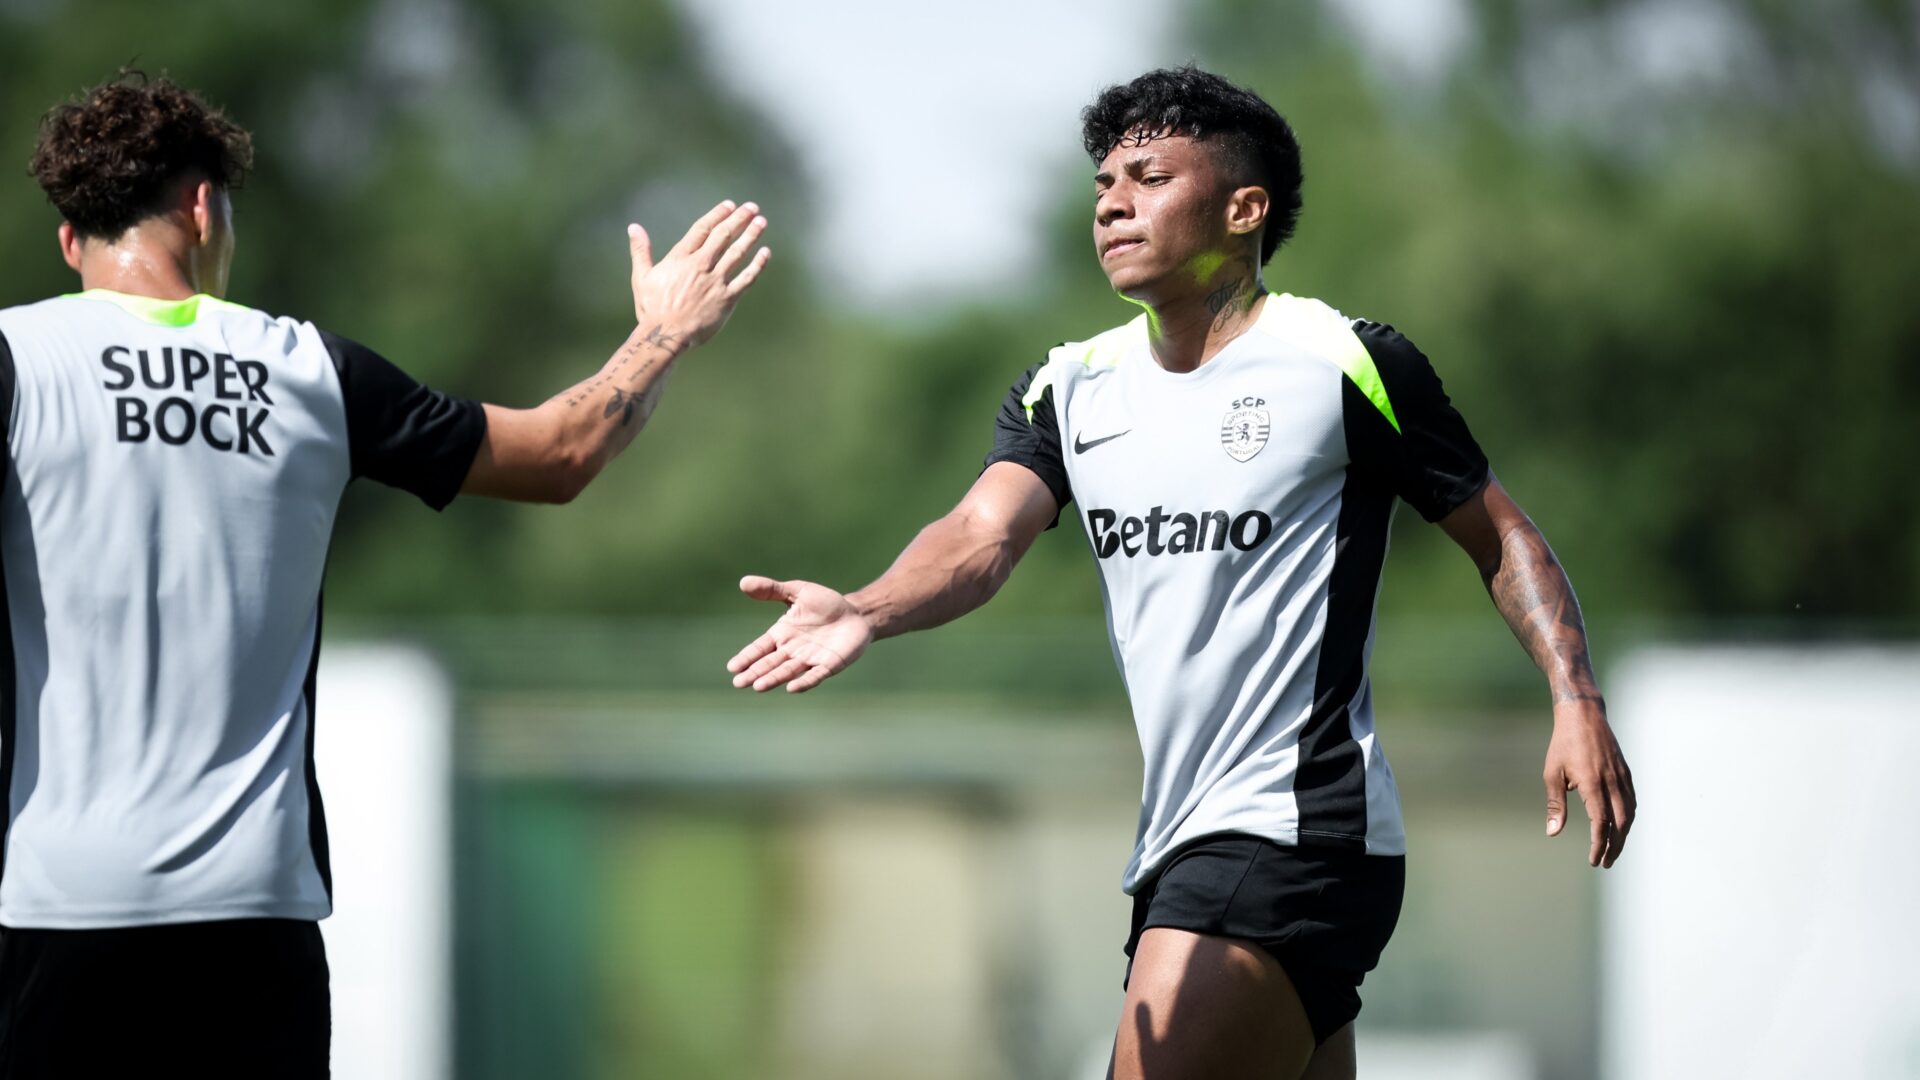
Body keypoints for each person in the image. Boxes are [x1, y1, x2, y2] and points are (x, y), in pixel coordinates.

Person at [727, 66, 1634, 1080]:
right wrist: (866, 607)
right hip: (1181, 844)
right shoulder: (1068, 388)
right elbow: (979, 536)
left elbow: (1501, 535)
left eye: (1151, 177)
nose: (1113, 202)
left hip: (1291, 831)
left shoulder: (1345, 362)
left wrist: (1576, 697)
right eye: (1105, 183)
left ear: (1244, 209)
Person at [0, 71, 769, 1078]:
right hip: (253, 912)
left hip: (52, 907)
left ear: (71, 242)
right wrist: (664, 330)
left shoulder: (15, 358)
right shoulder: (310, 372)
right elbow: (560, 453)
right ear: (205, 208)